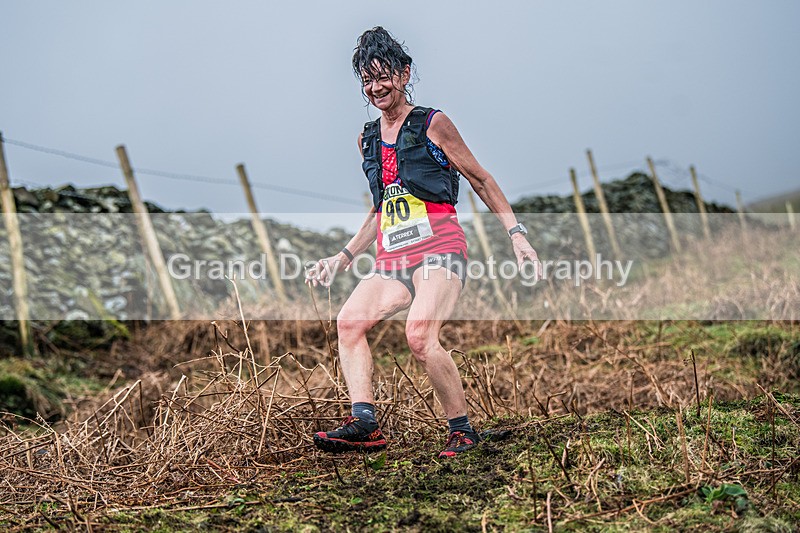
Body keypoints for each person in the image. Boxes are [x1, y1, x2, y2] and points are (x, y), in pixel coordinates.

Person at [305, 27, 540, 459]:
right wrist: (342, 257)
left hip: (440, 248)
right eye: (367, 79)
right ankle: (366, 424)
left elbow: (481, 179)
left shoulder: (433, 123)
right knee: (349, 322)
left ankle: (462, 431)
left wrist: (516, 234)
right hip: (392, 256)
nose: (376, 87)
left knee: (419, 335)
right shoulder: (367, 139)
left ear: (404, 73)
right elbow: (380, 210)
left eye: (384, 76)